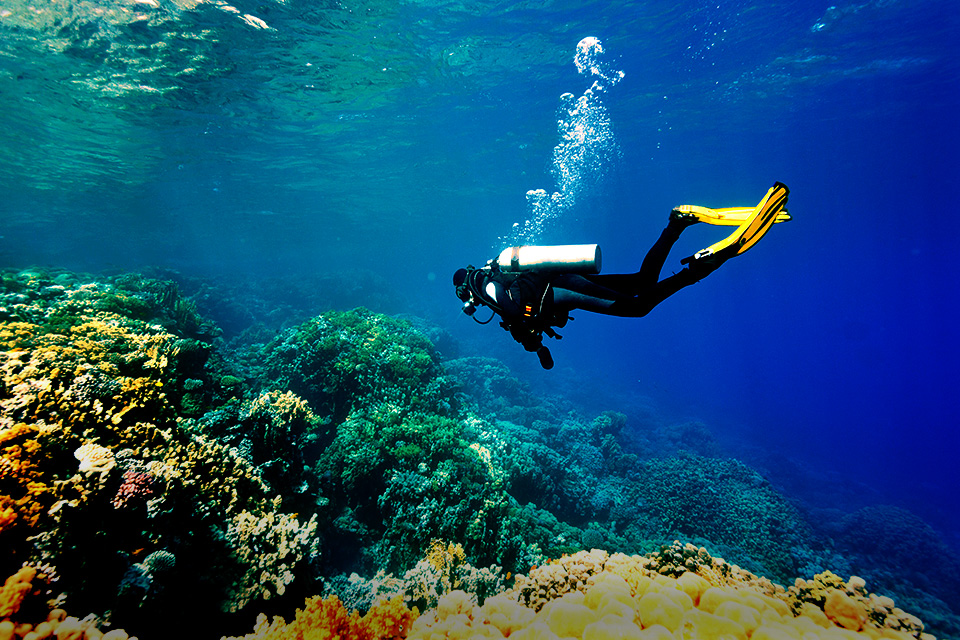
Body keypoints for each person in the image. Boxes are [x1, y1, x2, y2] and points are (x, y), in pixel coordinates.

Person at [453, 182, 790, 369]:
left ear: (464, 289)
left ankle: (704, 263)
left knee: (638, 307)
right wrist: (536, 345)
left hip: (560, 289)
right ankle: (676, 224)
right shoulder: (492, 275)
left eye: (463, 298)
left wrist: (527, 335)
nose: (468, 305)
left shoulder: (484, 286)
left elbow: (512, 310)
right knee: (642, 281)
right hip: (561, 283)